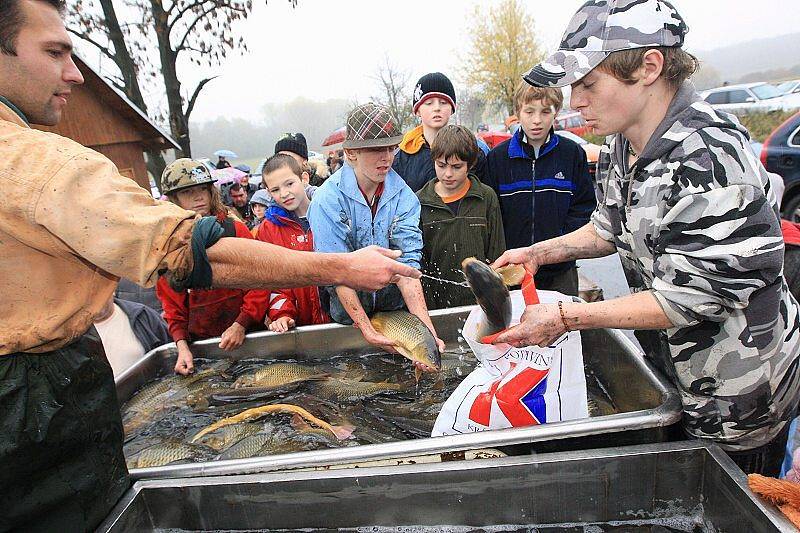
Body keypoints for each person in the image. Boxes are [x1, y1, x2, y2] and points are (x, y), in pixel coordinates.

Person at [0, 3, 415, 525]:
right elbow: (195, 254)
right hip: (31, 403)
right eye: (54, 51)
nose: (75, 73)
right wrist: (341, 268)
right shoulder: (33, 164)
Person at [493, 0, 800, 476]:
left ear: (649, 66)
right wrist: (541, 252)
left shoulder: (711, 157)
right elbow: (608, 226)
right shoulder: (623, 142)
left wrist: (566, 317)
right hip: (675, 378)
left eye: (589, 83)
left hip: (738, 399)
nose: (575, 102)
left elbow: (694, 298)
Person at [309, 103, 445, 359]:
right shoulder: (327, 200)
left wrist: (427, 333)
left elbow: (408, 269)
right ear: (351, 153)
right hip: (346, 317)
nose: (386, 158)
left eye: (390, 148)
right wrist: (364, 326)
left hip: (394, 311)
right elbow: (336, 270)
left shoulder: (404, 196)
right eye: (374, 149)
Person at [156, 159, 270, 374]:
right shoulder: (169, 245)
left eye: (202, 189)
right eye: (188, 192)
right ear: (173, 199)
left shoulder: (234, 228)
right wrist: (182, 346)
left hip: (249, 334)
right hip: (203, 346)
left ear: (211, 191)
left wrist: (241, 324)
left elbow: (259, 281)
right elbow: (173, 306)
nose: (198, 197)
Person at [486, 81, 596, 296]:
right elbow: (490, 214)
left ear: (556, 113)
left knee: (564, 327)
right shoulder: (498, 158)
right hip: (511, 272)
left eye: (545, 111)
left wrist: (560, 247)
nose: (537, 120)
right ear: (518, 112)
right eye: (529, 111)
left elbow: (583, 208)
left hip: (560, 271)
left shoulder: (572, 154)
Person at [417, 125, 505, 309]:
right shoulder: (419, 202)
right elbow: (419, 265)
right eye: (441, 165)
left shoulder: (486, 197)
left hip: (481, 305)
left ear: (470, 165)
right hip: (437, 306)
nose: (448, 174)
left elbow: (497, 255)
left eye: (457, 167)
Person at [257, 154, 328, 331]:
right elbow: (273, 281)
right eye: (275, 190)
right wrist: (282, 314)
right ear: (268, 192)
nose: (284, 194)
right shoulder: (268, 229)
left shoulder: (331, 214)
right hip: (302, 327)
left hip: (344, 320)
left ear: (304, 178)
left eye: (289, 184)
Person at [392, 72, 488, 192]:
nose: (437, 108)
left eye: (443, 102)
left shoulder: (474, 149)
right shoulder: (401, 158)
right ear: (417, 110)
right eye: (429, 103)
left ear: (452, 108)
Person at [93, 295, 172, 377]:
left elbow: (173, 353)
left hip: (153, 386)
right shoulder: (79, 334)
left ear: (112, 290)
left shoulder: (143, 315)